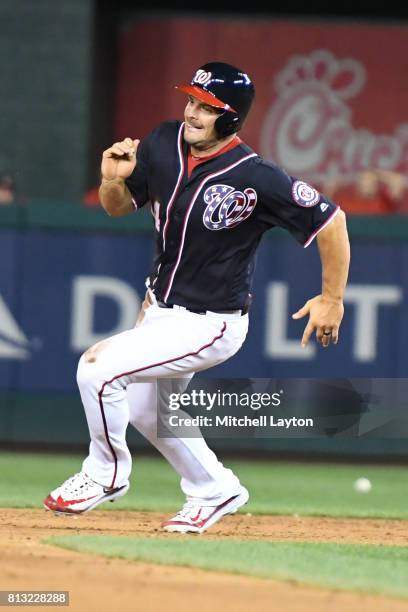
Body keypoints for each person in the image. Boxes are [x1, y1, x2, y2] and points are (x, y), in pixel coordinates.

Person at [43, 62, 350, 533]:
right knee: (149, 410)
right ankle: (214, 489)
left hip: (212, 323)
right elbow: (118, 207)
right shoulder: (164, 140)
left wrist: (332, 298)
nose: (192, 113)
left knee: (97, 369)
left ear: (230, 118)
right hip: (160, 310)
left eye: (206, 108)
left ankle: (104, 474)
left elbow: (332, 223)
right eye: (191, 101)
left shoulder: (258, 176)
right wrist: (113, 180)